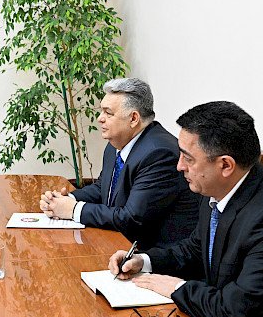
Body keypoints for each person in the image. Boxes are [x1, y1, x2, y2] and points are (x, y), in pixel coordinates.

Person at [109, 101, 263, 317]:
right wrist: (144, 261)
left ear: (225, 165)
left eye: (188, 158)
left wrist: (177, 288)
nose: (179, 166)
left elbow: (234, 312)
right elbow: (196, 248)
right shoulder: (217, 187)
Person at [40, 78, 199, 248]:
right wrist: (65, 200)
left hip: (153, 254)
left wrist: (73, 209)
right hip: (118, 243)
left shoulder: (159, 154)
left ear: (133, 118)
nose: (100, 119)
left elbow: (131, 218)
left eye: (108, 113)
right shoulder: (115, 145)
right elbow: (102, 188)